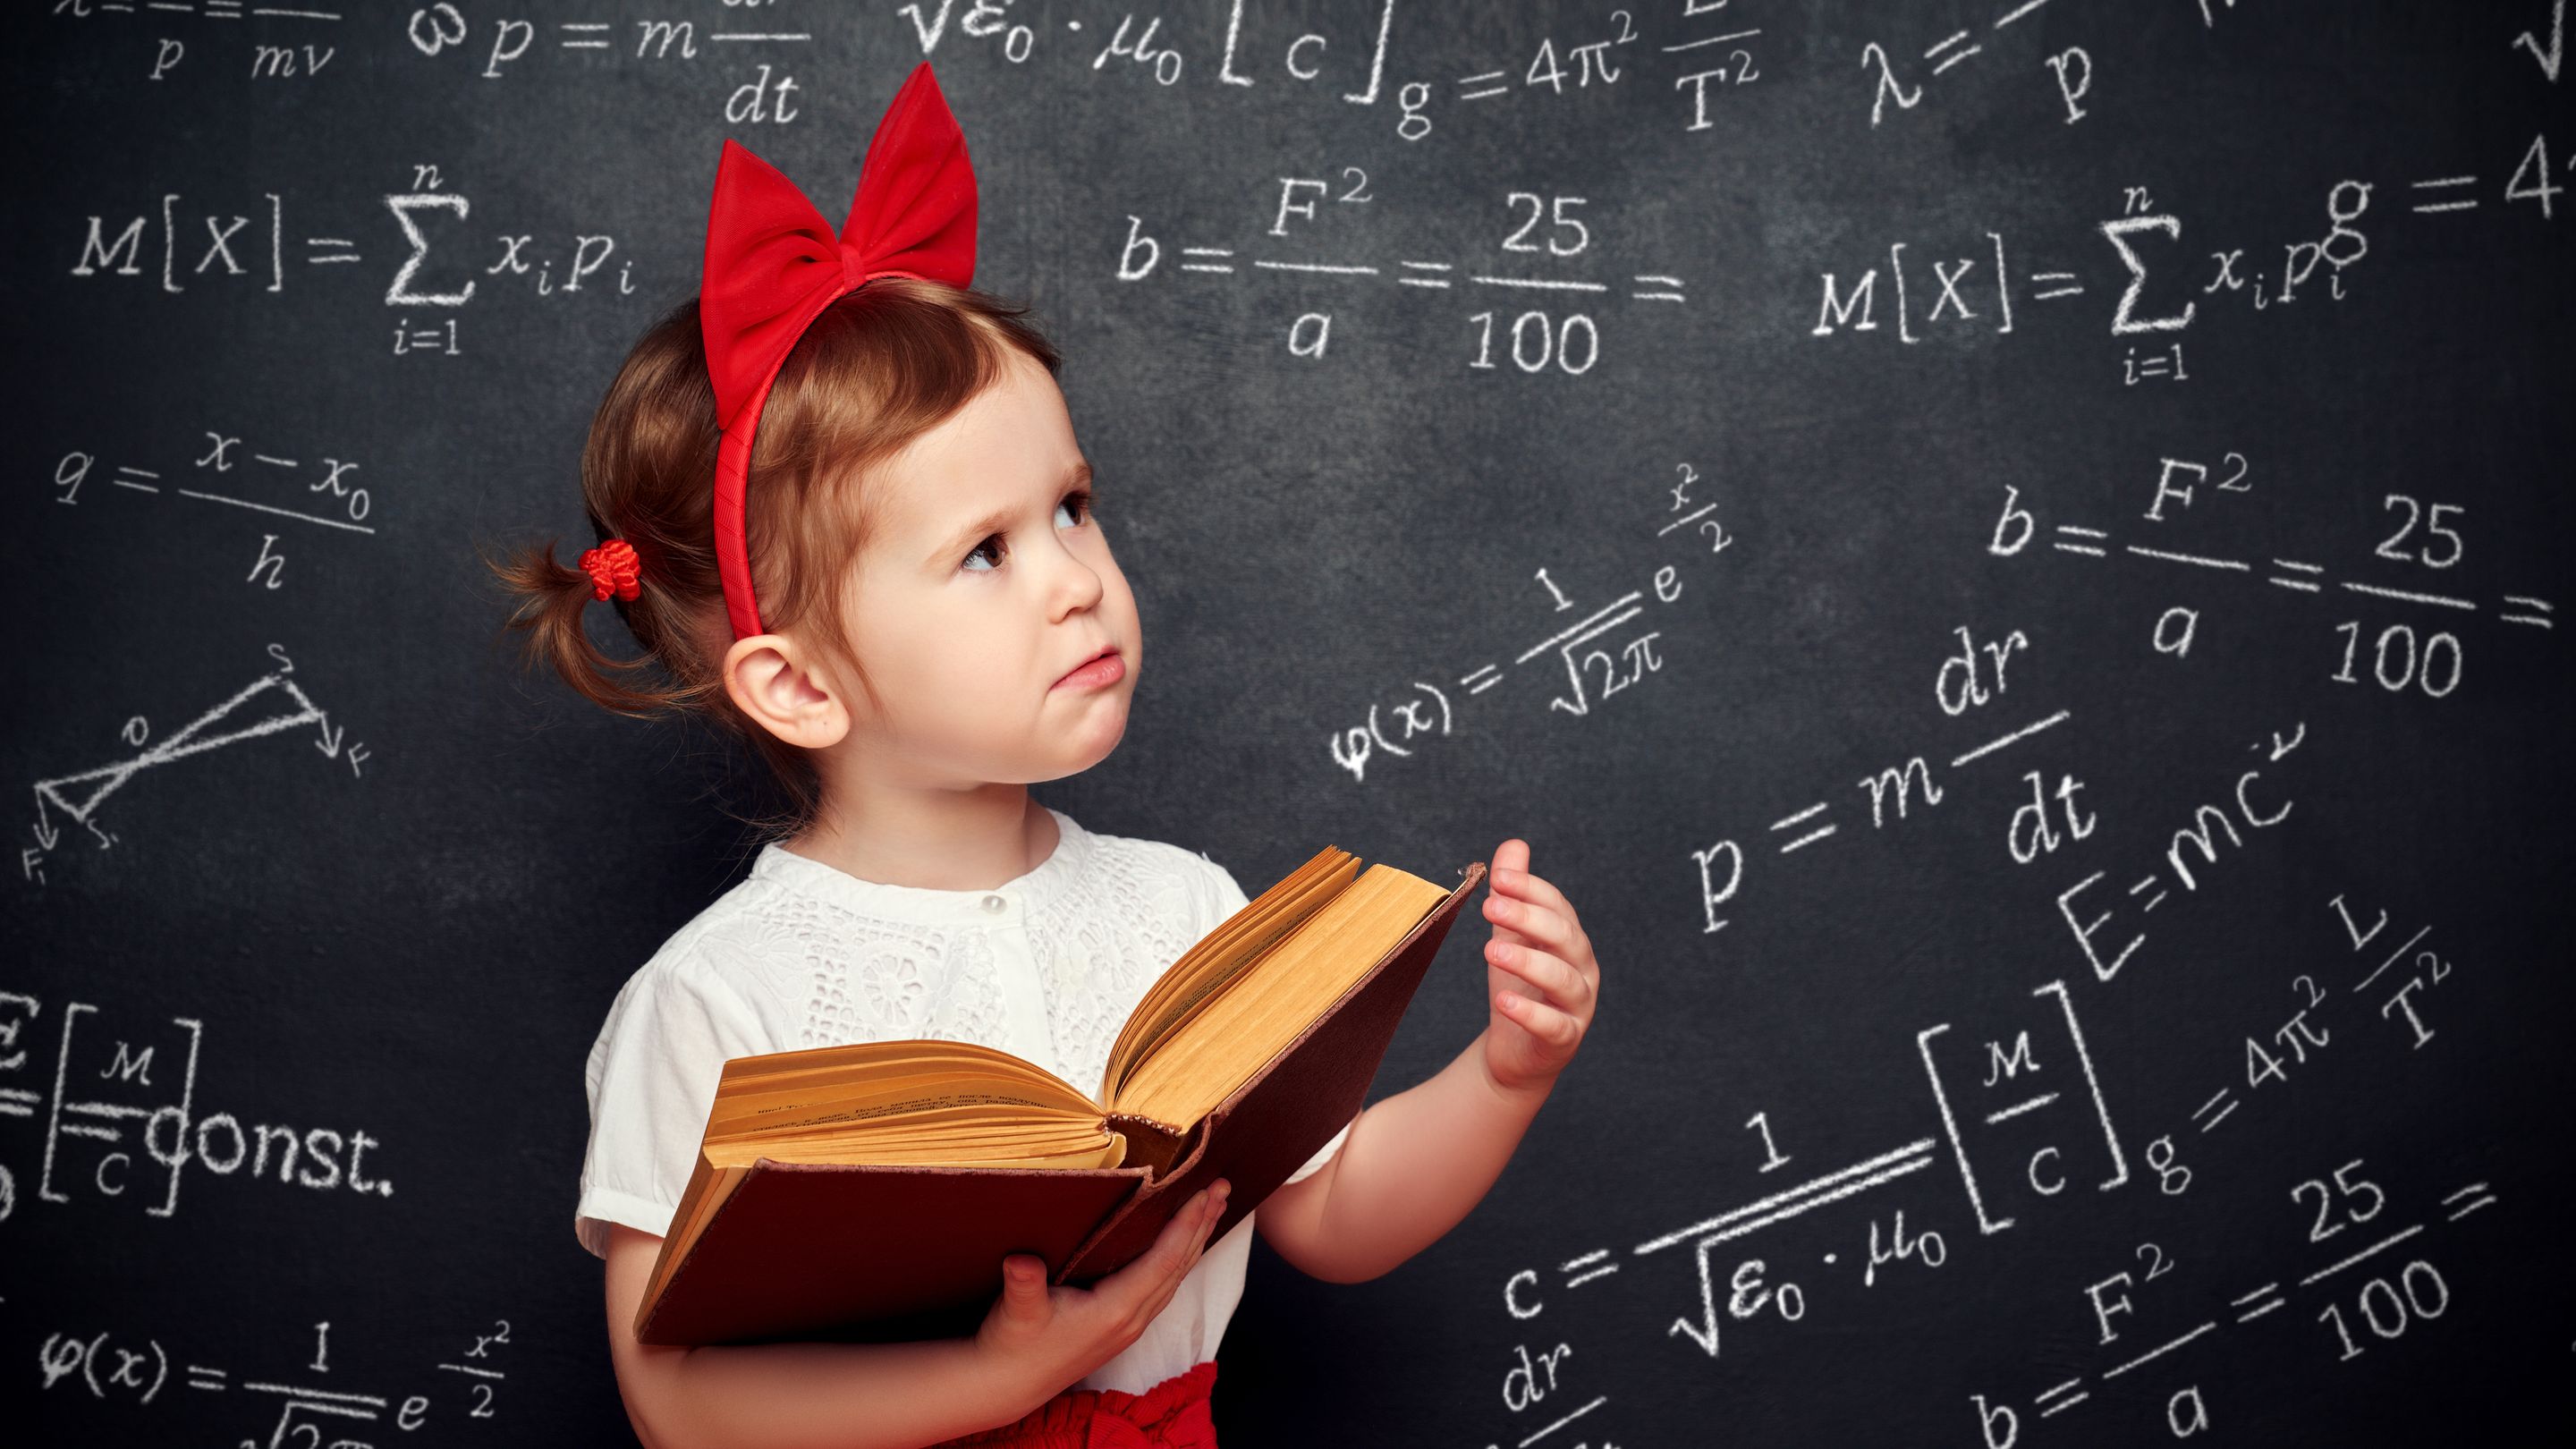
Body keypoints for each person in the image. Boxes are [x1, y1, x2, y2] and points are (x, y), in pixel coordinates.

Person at [487, 62, 1602, 1449]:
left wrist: (1506, 1073)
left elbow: (1332, 1214)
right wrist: (1004, 1380)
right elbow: (680, 1404)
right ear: (801, 682)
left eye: (1073, 507)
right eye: (986, 553)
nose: (1076, 580)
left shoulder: (1183, 908)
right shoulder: (715, 1002)